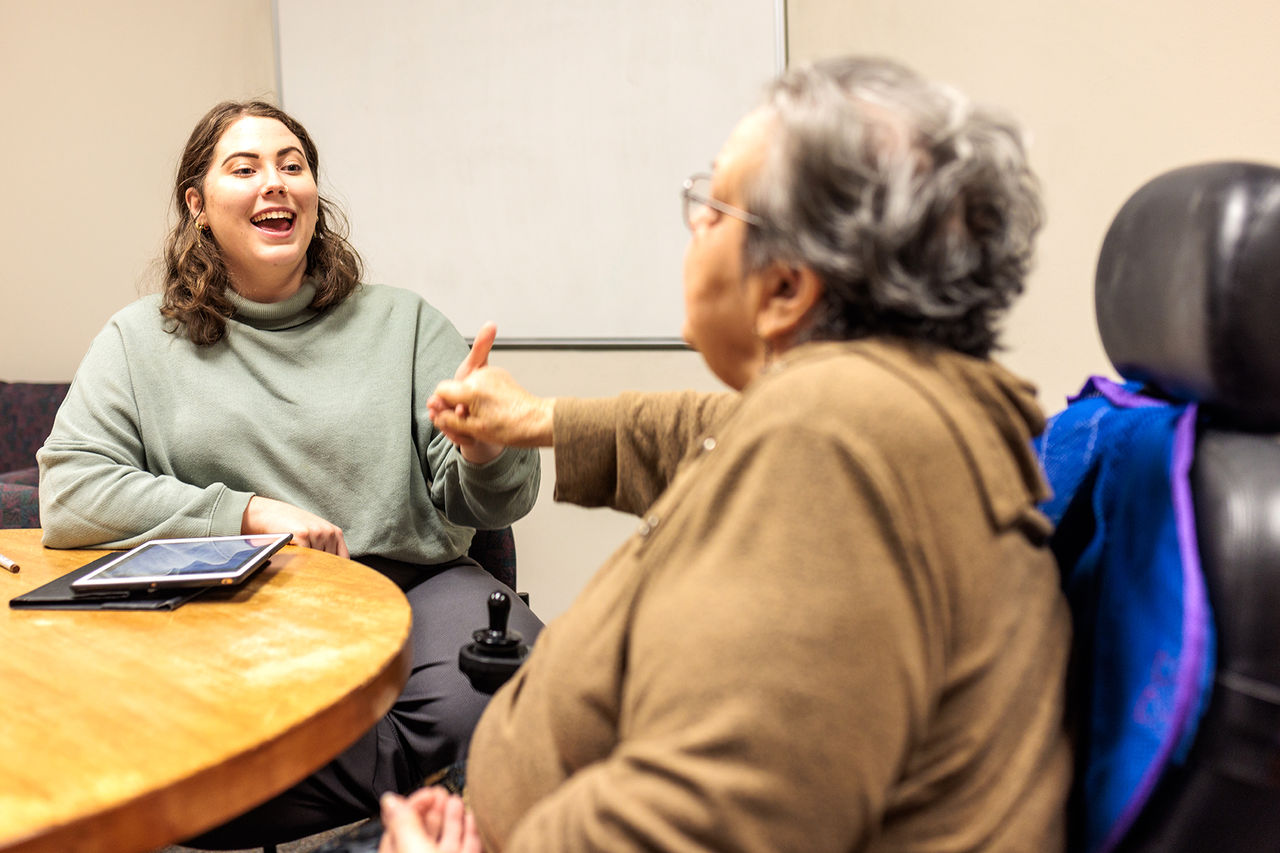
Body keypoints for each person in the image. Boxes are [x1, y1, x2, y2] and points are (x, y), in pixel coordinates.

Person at [386, 56, 1072, 852]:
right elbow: (708, 429)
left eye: (711, 207)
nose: (693, 227)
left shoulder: (834, 439)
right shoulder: (893, 401)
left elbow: (709, 822)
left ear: (785, 289)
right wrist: (536, 419)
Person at [36, 100, 543, 845]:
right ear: (198, 205)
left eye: (292, 165)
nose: (276, 182)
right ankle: (418, 805)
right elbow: (71, 493)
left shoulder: (403, 322)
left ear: (312, 194)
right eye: (244, 168)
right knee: (153, 730)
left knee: (513, 693)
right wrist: (245, 513)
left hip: (412, 586)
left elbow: (497, 497)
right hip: (232, 604)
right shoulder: (139, 339)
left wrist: (487, 448)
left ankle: (251, 799)